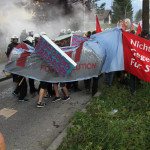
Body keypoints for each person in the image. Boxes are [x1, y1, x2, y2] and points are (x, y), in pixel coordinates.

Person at [12, 36, 34, 102]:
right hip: (19, 68)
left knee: (21, 82)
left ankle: (16, 92)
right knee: (23, 84)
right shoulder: (24, 48)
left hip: (18, 67)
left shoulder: (21, 46)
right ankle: (21, 98)